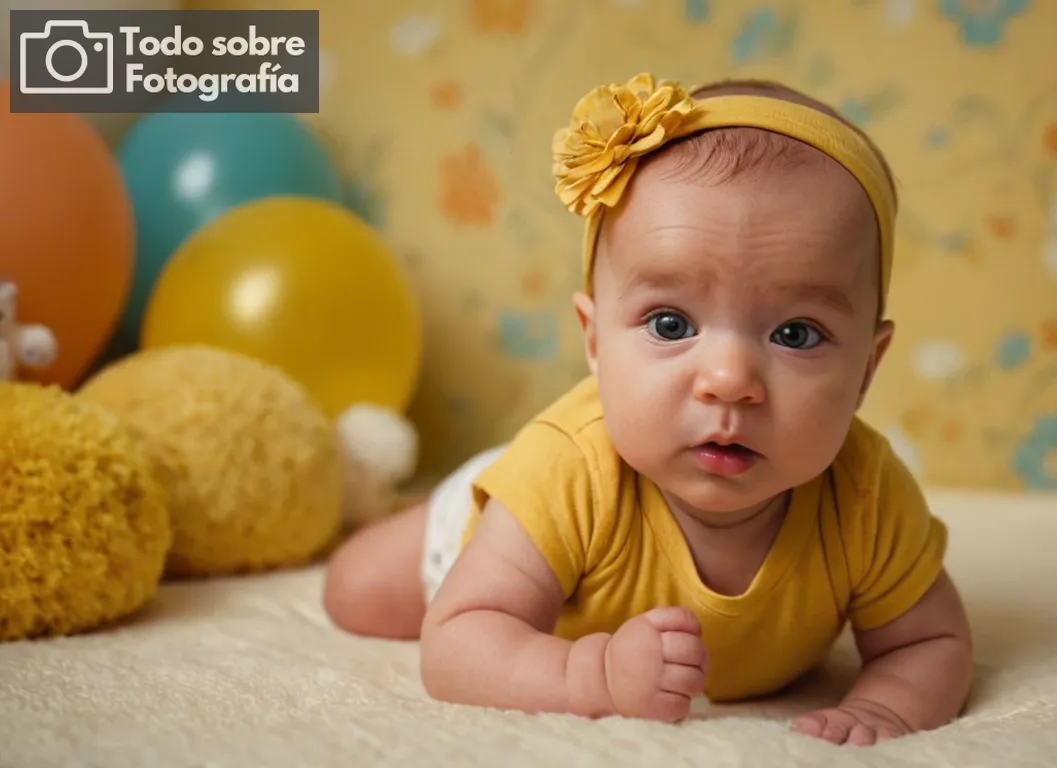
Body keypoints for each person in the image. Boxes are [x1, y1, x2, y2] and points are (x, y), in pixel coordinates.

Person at [323, 73, 974, 747]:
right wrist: (592, 674)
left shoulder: (865, 496)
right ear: (596, 340)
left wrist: (889, 708)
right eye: (670, 323)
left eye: (796, 334)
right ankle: (429, 504)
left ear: (867, 367)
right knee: (356, 591)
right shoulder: (568, 470)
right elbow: (456, 644)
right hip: (510, 518)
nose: (729, 382)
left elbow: (930, 641)